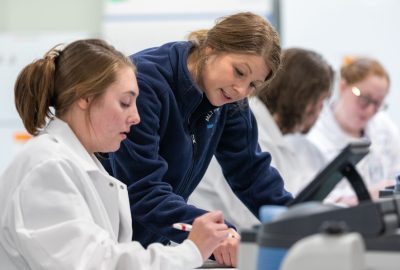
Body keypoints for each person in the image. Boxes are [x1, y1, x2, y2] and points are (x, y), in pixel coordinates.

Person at [0, 39, 232, 270]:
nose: (136, 117)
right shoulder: (47, 168)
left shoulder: (80, 164)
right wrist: (191, 251)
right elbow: (98, 264)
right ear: (85, 97)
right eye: (125, 102)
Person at [103, 12, 293, 266]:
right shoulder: (145, 84)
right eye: (238, 72)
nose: (241, 90)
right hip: (108, 239)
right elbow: (142, 190)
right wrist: (217, 233)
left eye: (253, 85)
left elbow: (251, 173)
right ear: (210, 48)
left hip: (153, 245)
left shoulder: (230, 99)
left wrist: (299, 222)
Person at [189, 48, 334, 229]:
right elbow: (256, 217)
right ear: (303, 98)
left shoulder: (275, 134)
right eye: (321, 101)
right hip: (211, 243)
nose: (321, 111)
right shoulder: (249, 130)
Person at [307, 56, 400, 205]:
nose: (370, 110)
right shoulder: (315, 136)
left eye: (377, 103)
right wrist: (363, 197)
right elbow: (314, 200)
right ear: (343, 87)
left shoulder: (385, 127)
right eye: (364, 99)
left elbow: (397, 174)